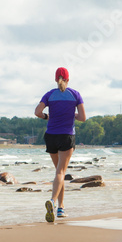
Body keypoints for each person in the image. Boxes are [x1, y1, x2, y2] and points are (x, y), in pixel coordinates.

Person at [34, 67, 86, 222]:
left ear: (56, 79)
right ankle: (52, 201)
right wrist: (73, 115)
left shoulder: (49, 94)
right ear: (68, 79)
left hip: (51, 136)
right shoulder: (75, 94)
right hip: (66, 136)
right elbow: (83, 117)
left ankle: (61, 208)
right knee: (60, 172)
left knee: (59, 172)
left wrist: (46, 117)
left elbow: (37, 112)